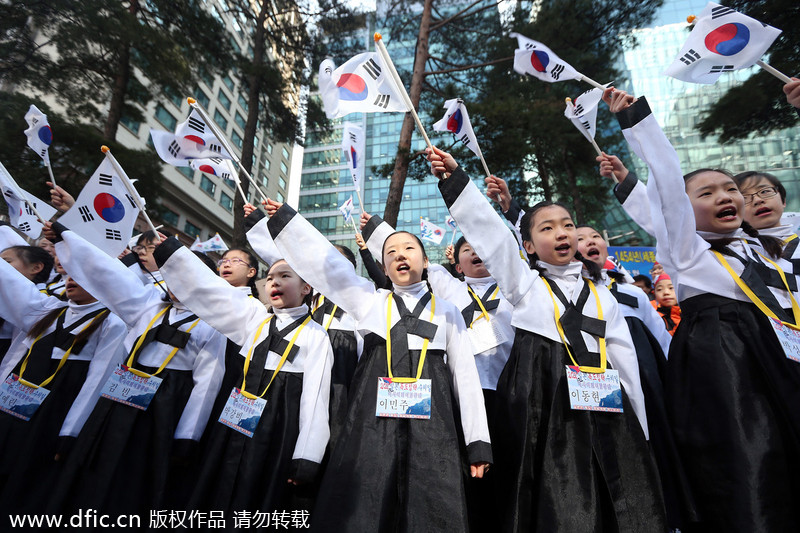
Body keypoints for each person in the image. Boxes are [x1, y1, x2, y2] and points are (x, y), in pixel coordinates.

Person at [427, 146, 665, 532]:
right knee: (558, 496)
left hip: (607, 408)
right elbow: (492, 235)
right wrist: (455, 179)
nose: (562, 233)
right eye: (547, 228)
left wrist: (639, 428)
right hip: (546, 406)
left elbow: (624, 361)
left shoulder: (604, 296)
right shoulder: (525, 284)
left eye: (567, 224)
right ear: (529, 246)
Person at [606, 86, 800, 531]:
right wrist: (638, 123)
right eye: (707, 192)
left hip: (785, 368)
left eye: (731, 189)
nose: (725, 196)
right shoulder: (688, 253)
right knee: (751, 472)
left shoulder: (771, 253)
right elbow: (667, 190)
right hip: (730, 377)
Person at [261, 197, 491, 532]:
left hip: (435, 425)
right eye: (391, 252)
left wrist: (477, 443)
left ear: (427, 262)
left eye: (409, 249)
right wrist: (287, 220)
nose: (400, 254)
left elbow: (466, 380)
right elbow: (327, 265)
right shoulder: (368, 302)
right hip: (372, 423)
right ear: (383, 268)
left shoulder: (447, 311)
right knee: (365, 505)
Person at [43, 222, 226, 520]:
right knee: (99, 467)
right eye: (171, 275)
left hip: (166, 407)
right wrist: (67, 235)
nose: (175, 282)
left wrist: (187, 437)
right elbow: (107, 272)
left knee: (139, 476)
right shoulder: (147, 304)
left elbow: (207, 384)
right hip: (117, 399)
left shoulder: (213, 323)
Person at [152, 231, 334, 519]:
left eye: (285, 276)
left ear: (306, 288)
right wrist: (173, 252)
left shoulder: (317, 336)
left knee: (256, 493)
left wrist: (307, 457)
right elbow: (211, 293)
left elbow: (315, 399)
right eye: (271, 277)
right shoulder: (256, 320)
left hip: (277, 427)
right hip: (234, 418)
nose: (274, 281)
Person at [0, 258, 127, 518]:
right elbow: (17, 355)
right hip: (16, 396)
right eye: (70, 275)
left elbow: (98, 379)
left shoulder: (112, 322)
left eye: (81, 276)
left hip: (57, 404)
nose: (71, 280)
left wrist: (72, 431)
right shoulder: (49, 309)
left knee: (29, 466)